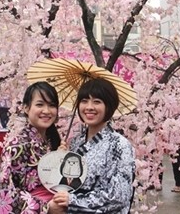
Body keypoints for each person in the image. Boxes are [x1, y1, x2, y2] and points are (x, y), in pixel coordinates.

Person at [50, 78, 135, 214]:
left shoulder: (119, 145)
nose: (89, 107)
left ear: (109, 105)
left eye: (97, 102)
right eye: (84, 101)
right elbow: (69, 182)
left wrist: (73, 201)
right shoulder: (76, 142)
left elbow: (120, 196)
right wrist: (62, 160)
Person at [0, 81, 61, 213]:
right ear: (26, 108)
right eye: (40, 104)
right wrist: (46, 208)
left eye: (52, 105)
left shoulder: (52, 141)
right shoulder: (16, 145)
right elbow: (9, 194)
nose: (46, 111)